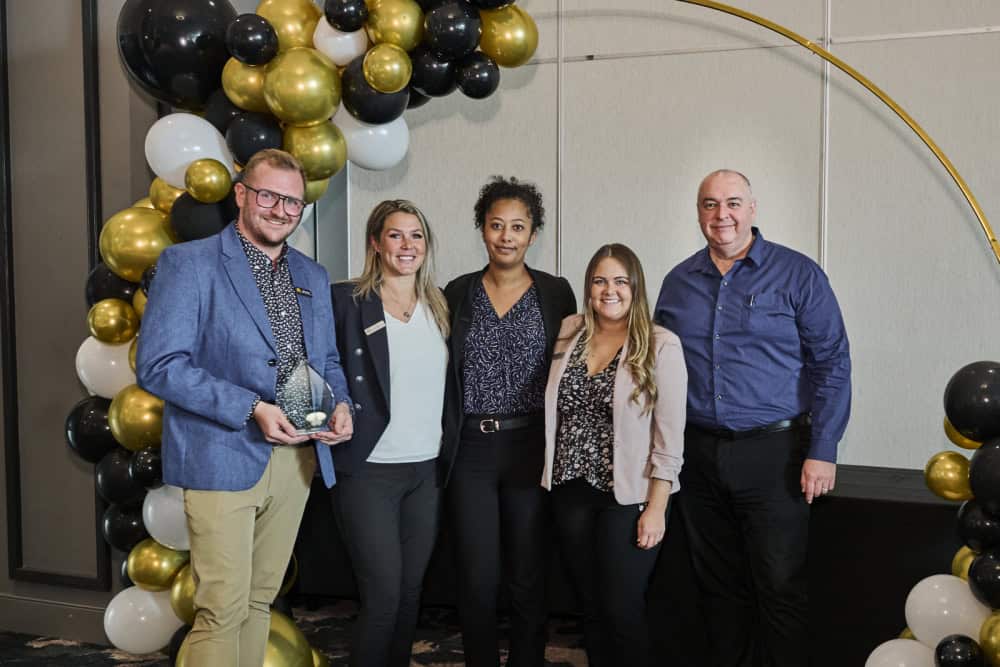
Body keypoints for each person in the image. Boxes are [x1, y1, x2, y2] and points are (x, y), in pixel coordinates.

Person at [136, 148, 354, 666]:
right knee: (221, 610)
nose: (281, 211)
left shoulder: (312, 275)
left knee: (259, 601)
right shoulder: (188, 264)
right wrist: (252, 406)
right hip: (221, 454)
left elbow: (323, 359)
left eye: (293, 203)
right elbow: (160, 365)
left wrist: (342, 405)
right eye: (270, 196)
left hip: (297, 460)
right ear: (241, 194)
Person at [654, 169, 851, 667]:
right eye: (710, 204)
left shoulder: (798, 274)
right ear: (698, 211)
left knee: (780, 585)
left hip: (776, 455)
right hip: (698, 455)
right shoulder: (678, 283)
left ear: (753, 208)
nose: (723, 215)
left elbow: (832, 362)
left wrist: (822, 451)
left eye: (733, 203)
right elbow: (657, 366)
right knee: (718, 587)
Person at [441, 176, 576, 667]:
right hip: (471, 450)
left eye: (518, 227)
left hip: (530, 449)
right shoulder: (457, 293)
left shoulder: (556, 293)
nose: (506, 236)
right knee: (477, 575)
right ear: (482, 229)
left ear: (533, 233)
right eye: (496, 225)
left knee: (526, 574)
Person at [542, 243, 686, 667]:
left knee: (621, 610)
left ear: (636, 287)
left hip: (628, 497)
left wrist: (656, 508)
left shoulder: (661, 345)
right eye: (600, 281)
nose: (610, 290)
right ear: (588, 288)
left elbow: (670, 439)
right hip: (570, 492)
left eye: (621, 281)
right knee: (590, 609)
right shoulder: (570, 330)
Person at [329, 200, 450, 667]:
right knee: (381, 597)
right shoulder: (348, 301)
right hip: (369, 472)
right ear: (376, 243)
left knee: (409, 597)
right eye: (396, 235)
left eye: (416, 236)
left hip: (425, 471)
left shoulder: (439, 304)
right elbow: (319, 368)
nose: (407, 245)